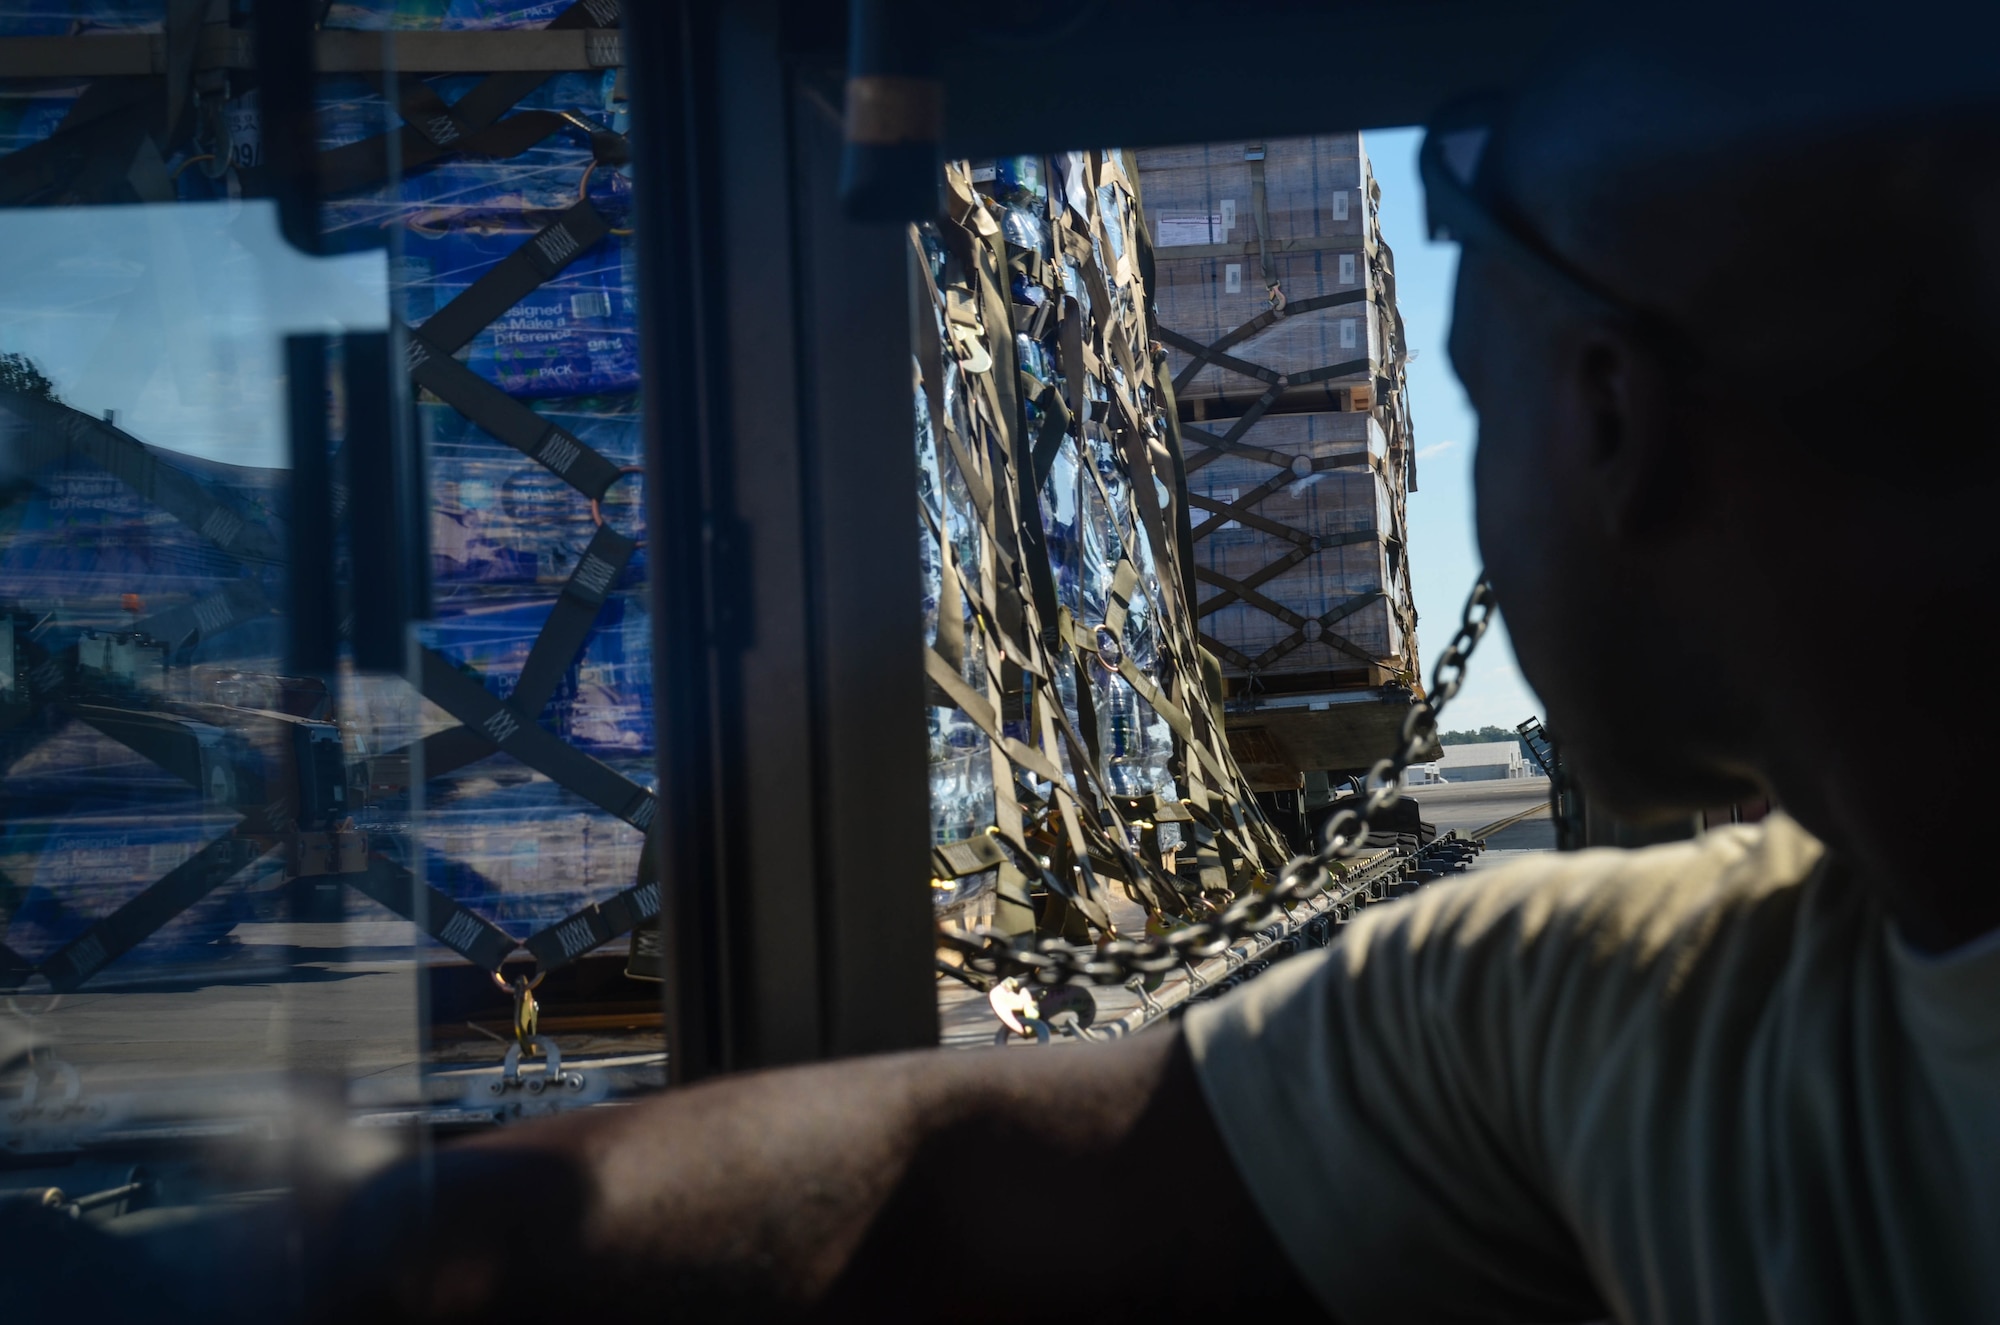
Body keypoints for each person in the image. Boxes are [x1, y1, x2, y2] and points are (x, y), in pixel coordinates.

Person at [325, 11, 2000, 1323]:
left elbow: (939, 1195)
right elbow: (935, 1176)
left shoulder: (1668, 1028)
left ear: (1612, 420)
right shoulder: (1621, 1008)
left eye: (1482, 406)